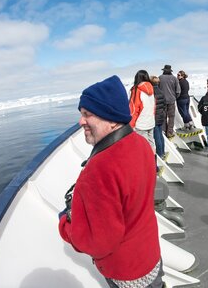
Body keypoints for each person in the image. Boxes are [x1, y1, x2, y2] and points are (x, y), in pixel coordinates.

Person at [58, 75, 163, 287]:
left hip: (128, 273)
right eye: (81, 114)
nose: (81, 121)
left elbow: (100, 244)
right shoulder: (141, 144)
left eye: (87, 114)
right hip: (151, 256)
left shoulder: (97, 171)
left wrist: (64, 224)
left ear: (112, 119)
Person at [129, 70, 155, 151]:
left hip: (141, 124)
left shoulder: (136, 90)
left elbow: (133, 109)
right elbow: (154, 106)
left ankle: (146, 163)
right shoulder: (151, 89)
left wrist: (131, 125)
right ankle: (153, 162)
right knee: (151, 145)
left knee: (142, 147)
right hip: (150, 121)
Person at [159, 64, 181, 138]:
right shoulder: (174, 79)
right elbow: (178, 91)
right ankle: (170, 132)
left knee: (163, 116)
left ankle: (163, 131)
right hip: (171, 100)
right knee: (171, 117)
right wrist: (175, 97)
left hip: (162, 101)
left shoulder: (160, 78)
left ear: (164, 70)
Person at [151, 76, 166, 159]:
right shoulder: (161, 92)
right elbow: (164, 105)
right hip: (160, 116)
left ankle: (159, 154)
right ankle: (162, 152)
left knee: (156, 136)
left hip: (155, 117)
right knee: (160, 135)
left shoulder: (151, 93)